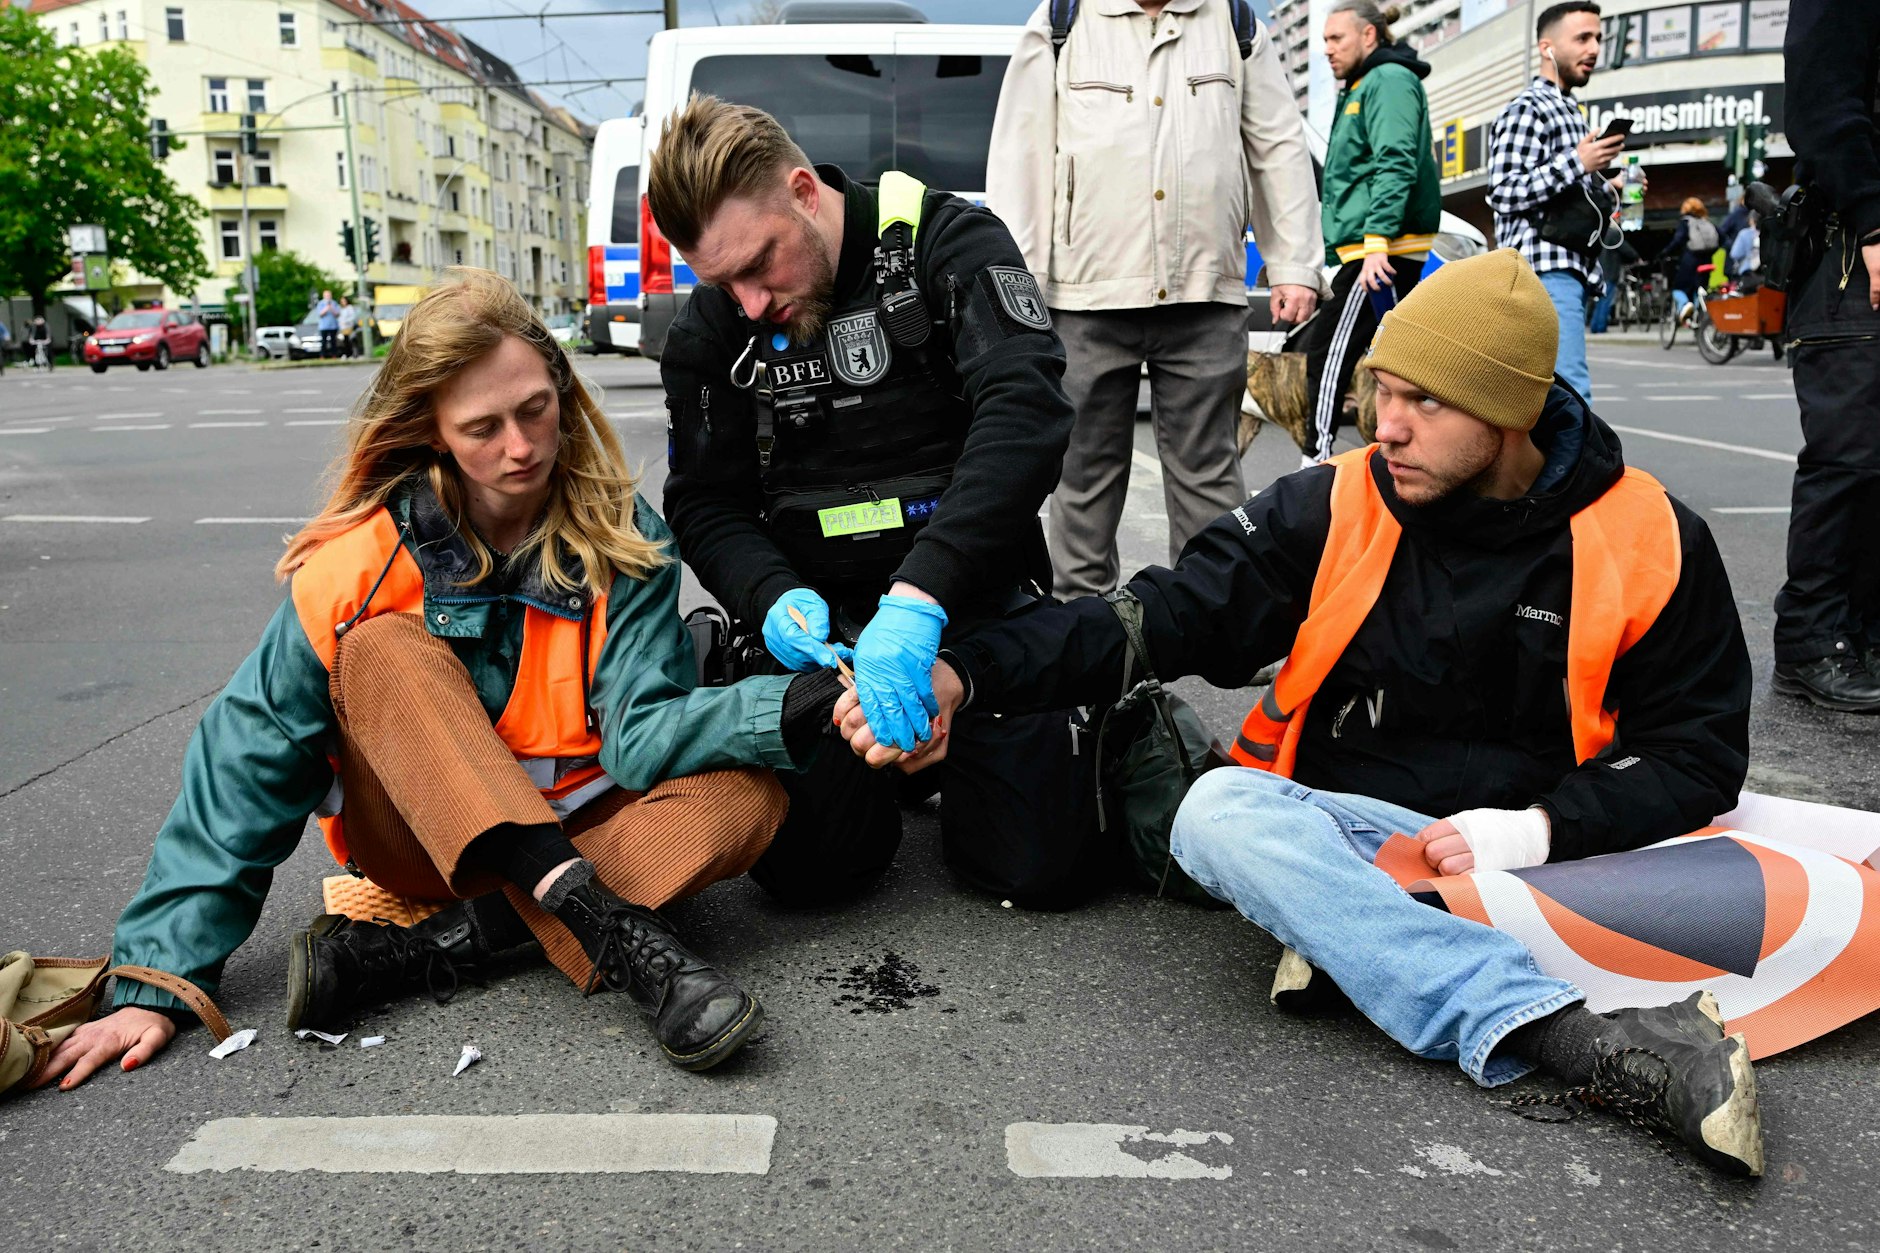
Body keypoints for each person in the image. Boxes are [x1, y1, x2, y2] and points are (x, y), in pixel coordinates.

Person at [839, 249, 1763, 1178]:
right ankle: (1575, 1034)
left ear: (1511, 411)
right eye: (1381, 391)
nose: (1386, 426)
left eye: (1425, 402)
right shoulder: (1337, 500)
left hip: (1548, 857)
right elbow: (1155, 616)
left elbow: (1698, 754)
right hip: (1358, 837)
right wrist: (965, 675)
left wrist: (1535, 828)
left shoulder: (1653, 536)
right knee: (1215, 811)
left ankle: (1370, 949)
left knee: (1275, 855)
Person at [30, 269, 850, 1093]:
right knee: (383, 648)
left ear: (562, 391)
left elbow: (643, 735)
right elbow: (245, 758)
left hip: (593, 824)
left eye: (535, 408)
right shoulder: (360, 562)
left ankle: (434, 945)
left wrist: (794, 701)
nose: (521, 447)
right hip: (426, 847)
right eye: (483, 427)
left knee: (749, 797)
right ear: (432, 431)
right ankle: (607, 929)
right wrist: (157, 981)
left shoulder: (622, 536)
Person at [653, 95, 1102, 909]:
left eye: (759, 264)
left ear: (802, 192)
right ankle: (877, 763)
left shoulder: (946, 244)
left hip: (962, 607)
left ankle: (1015, 733)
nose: (750, 303)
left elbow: (1026, 412)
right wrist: (769, 595)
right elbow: (704, 501)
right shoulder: (716, 326)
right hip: (821, 637)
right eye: (723, 282)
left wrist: (923, 596)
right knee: (811, 875)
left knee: (1039, 866)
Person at [986, 0, 1323, 594]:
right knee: (1082, 475)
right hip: (1086, 294)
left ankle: (1214, 619)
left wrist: (1295, 264)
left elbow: (1278, 146)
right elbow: (1022, 156)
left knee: (1209, 472)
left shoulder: (1235, 23)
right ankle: (1082, 619)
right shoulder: (1062, 21)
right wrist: (1022, 286)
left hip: (1204, 291)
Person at [1772, 0, 1880, 713]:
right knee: (1852, 456)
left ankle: (1864, 635)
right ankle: (1813, 642)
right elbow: (1819, 100)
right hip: (1853, 249)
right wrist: (1873, 220)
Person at [1295, 1, 1441, 467]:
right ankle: (1415, 460)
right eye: (1324, 40)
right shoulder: (1364, 84)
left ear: (1369, 36)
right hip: (1374, 247)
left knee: (1329, 354)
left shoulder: (1387, 80)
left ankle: (1316, 462)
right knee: (1399, 364)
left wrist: (1376, 239)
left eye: (1336, 38)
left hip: (1379, 251)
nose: (1327, 49)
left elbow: (1395, 159)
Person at [1487, 2, 1619, 400]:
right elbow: (1503, 191)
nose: (1594, 48)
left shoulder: (1570, 111)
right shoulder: (1529, 108)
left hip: (1563, 270)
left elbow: (1566, 198)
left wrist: (1610, 187)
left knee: (1537, 399)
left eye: (1598, 38)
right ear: (1547, 48)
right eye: (1582, 38)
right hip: (1543, 272)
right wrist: (1578, 161)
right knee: (1570, 396)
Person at [1657, 197, 1720, 327]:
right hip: (1707, 261)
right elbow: (1722, 239)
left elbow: (1677, 240)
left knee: (1678, 288)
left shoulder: (1685, 222)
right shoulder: (1707, 223)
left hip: (1690, 262)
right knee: (1700, 289)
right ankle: (1698, 318)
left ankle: (1686, 306)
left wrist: (1664, 253)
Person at [1588, 233, 1639, 333]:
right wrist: (1636, 257)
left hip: (1600, 273)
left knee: (1600, 301)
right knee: (1605, 301)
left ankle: (1594, 326)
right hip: (1610, 273)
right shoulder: (1613, 235)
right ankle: (1601, 327)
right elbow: (1625, 248)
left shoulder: (1600, 234)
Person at [314, 289, 341, 358]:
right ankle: (322, 355)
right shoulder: (321, 303)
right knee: (324, 341)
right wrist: (326, 308)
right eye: (326, 295)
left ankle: (334, 355)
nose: (328, 296)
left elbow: (337, 314)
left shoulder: (334, 303)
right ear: (324, 296)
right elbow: (320, 314)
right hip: (324, 326)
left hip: (333, 326)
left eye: (329, 295)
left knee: (333, 341)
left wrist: (331, 308)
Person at [338, 294, 359, 359]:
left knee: (352, 340)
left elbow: (353, 317)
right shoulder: (341, 309)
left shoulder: (350, 307)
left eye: (344, 301)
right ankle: (348, 354)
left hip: (349, 327)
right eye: (342, 301)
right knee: (345, 341)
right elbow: (340, 318)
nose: (343, 302)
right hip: (343, 328)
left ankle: (354, 354)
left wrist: (346, 321)